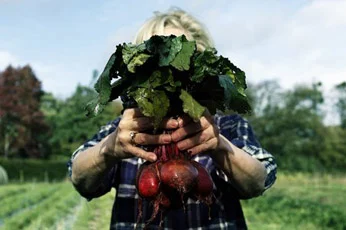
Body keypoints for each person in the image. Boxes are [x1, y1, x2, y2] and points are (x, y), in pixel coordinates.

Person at [68, 8, 277, 230]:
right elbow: (80, 177)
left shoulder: (227, 126)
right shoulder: (123, 130)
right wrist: (110, 148)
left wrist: (219, 145)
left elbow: (259, 181)